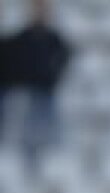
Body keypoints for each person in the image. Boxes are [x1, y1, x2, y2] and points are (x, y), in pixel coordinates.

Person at [9, 0, 70, 169]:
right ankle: (29, 158)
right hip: (29, 89)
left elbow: (64, 55)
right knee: (27, 125)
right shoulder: (23, 37)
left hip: (46, 89)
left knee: (47, 126)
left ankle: (48, 157)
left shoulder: (52, 37)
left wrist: (53, 75)